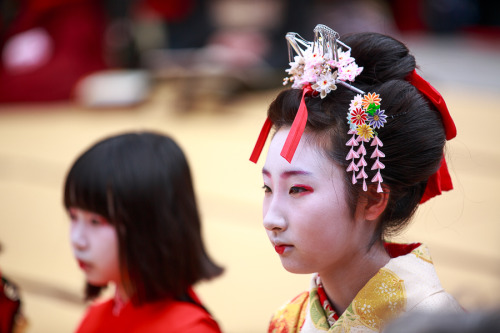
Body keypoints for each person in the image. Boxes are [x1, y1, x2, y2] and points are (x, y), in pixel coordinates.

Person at [249, 24, 463, 332]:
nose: (271, 219)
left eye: (297, 189)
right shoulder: (288, 322)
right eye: (268, 188)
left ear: (372, 198)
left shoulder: (440, 325)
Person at [64, 131, 223, 333]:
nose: (77, 239)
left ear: (150, 223)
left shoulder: (189, 328)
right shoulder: (94, 318)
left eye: (95, 221)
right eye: (73, 217)